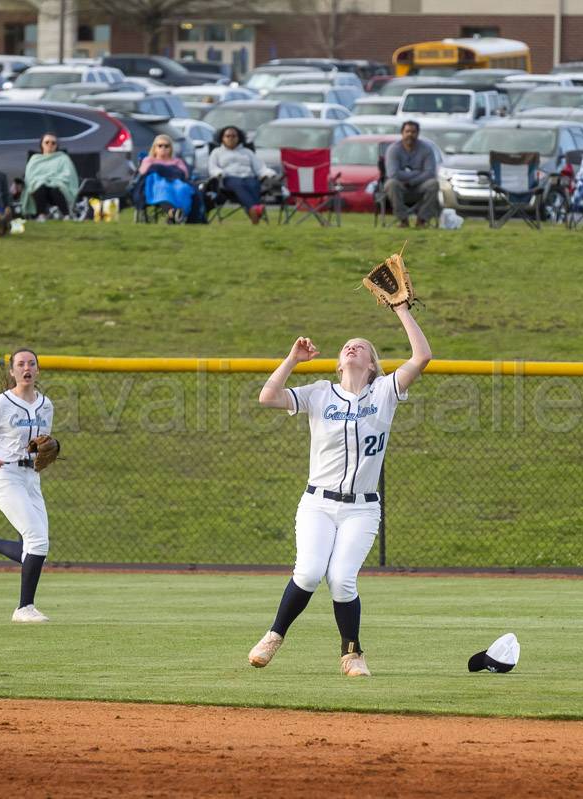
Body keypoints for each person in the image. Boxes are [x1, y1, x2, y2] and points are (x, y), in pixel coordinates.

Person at [247, 303, 432, 678]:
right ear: (337, 364)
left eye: (361, 346)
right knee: (311, 572)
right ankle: (273, 636)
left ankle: (352, 655)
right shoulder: (319, 393)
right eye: (347, 345)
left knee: (343, 578)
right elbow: (267, 396)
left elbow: (423, 355)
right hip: (317, 503)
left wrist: (400, 311)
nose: (352, 348)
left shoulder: (384, 392)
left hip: (362, 510)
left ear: (372, 365)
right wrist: (292, 359)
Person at [0, 348, 57, 622]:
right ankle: (24, 609)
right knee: (38, 541)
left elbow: (42, 444)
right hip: (6, 477)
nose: (26, 368)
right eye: (20, 364)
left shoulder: (46, 405)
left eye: (31, 363)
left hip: (31, 479)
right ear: (13, 371)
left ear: (38, 370)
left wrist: (50, 449)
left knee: (38, 547)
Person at [207, 125, 275, 223]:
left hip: (248, 177)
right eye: (228, 136)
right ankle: (254, 209)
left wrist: (267, 173)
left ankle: (254, 211)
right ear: (222, 138)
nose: (231, 138)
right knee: (239, 185)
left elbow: (260, 167)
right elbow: (212, 168)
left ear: (239, 138)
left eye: (234, 136)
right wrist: (219, 173)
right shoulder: (216, 152)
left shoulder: (247, 152)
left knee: (254, 184)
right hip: (228, 179)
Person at [383, 120, 439, 228]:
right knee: (391, 183)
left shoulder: (426, 149)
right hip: (400, 186)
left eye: (413, 132)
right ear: (402, 133)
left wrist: (412, 181)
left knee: (433, 184)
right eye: (407, 131)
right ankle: (403, 220)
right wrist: (418, 172)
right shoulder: (393, 149)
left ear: (418, 133)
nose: (410, 134)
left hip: (419, 186)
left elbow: (430, 172)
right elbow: (393, 174)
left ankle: (422, 220)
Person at [136, 134, 199, 223]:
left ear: (171, 148)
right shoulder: (149, 160)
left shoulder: (177, 161)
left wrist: (168, 171)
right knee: (163, 188)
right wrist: (159, 168)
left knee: (183, 188)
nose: (163, 148)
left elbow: (184, 174)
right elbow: (143, 172)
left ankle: (179, 213)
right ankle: (173, 213)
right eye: (160, 146)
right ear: (155, 148)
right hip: (156, 183)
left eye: (166, 146)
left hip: (175, 183)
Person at [20, 132, 78, 220]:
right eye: (47, 142)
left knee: (55, 189)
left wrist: (52, 181)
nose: (50, 145)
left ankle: (66, 215)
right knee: (40, 187)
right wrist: (43, 180)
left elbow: (68, 175)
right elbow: (30, 177)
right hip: (39, 187)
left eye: (53, 143)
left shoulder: (63, 158)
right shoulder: (35, 159)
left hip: (58, 187)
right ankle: (41, 215)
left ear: (56, 146)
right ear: (42, 145)